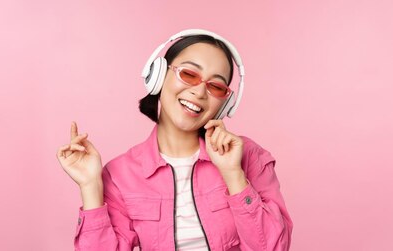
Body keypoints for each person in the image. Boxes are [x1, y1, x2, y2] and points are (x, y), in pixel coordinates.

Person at [56, 29, 293, 251]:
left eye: (216, 86)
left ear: (226, 104)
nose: (199, 93)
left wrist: (234, 175)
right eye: (189, 74)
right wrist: (90, 187)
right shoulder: (120, 175)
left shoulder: (249, 156)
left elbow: (273, 247)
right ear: (158, 76)